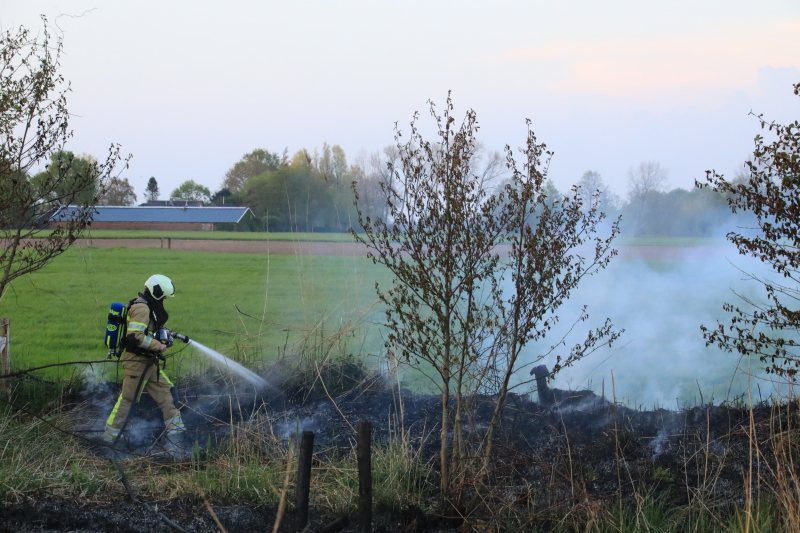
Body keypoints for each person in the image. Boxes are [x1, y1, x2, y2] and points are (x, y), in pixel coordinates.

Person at [103, 274, 185, 444]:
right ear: (156, 293)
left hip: (149, 363)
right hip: (137, 363)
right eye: (163, 297)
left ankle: (177, 435)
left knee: (167, 394)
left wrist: (167, 333)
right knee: (127, 400)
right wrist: (158, 345)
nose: (164, 300)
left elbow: (148, 328)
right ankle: (109, 438)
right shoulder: (142, 309)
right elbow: (134, 336)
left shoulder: (147, 307)